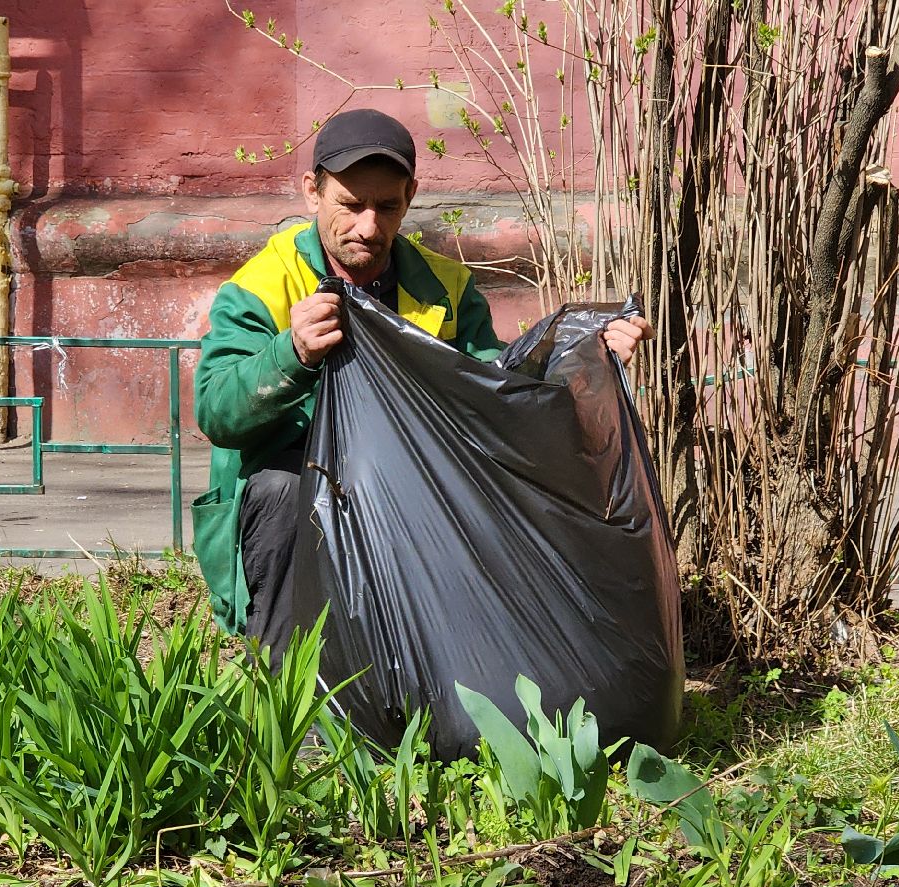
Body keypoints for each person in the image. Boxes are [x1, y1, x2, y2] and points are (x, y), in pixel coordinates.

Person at [190, 107, 650, 653]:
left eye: (387, 207)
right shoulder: (265, 284)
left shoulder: (446, 288)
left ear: (410, 195)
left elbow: (498, 393)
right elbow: (217, 410)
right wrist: (291, 354)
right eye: (350, 205)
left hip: (406, 489)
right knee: (284, 490)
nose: (368, 226)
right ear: (312, 193)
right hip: (300, 492)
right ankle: (290, 700)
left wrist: (586, 358)